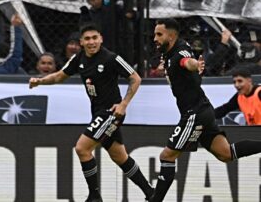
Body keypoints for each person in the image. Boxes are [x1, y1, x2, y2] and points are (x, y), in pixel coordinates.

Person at [29, 23, 153, 202]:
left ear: (101, 39)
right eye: (87, 39)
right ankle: (150, 192)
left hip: (111, 112)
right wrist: (39, 81)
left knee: (82, 148)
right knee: (119, 156)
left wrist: (123, 104)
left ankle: (94, 197)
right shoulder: (78, 59)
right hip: (98, 113)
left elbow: (135, 78)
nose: (91, 42)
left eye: (95, 38)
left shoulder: (111, 58)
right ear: (81, 42)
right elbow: (58, 76)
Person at [148, 18, 261, 202]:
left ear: (171, 35)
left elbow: (187, 62)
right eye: (155, 34)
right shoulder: (171, 51)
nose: (155, 38)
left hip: (195, 114)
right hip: (204, 111)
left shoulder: (179, 54)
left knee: (167, 155)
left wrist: (195, 64)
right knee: (225, 153)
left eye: (159, 34)